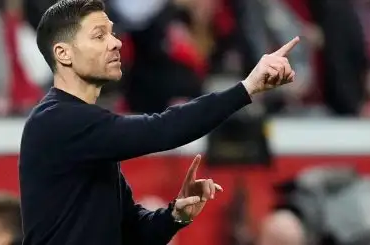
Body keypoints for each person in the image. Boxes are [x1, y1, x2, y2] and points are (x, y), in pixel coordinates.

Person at [18, 0, 299, 244]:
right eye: (99, 35)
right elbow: (161, 129)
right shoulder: (58, 120)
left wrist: (175, 215)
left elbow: (131, 235)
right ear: (63, 53)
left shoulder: (85, 127)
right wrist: (246, 88)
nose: (116, 42)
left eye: (113, 33)